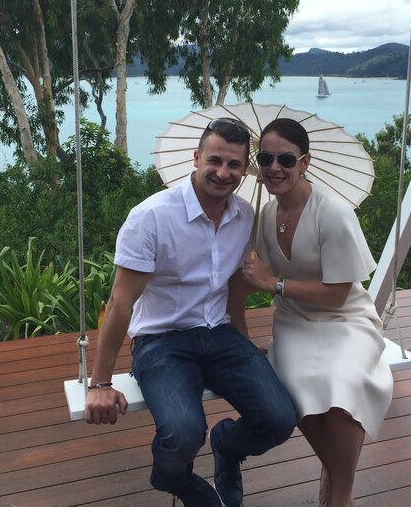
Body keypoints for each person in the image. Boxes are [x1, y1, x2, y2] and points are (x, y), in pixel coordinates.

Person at [84, 117, 296, 507]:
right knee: (184, 433)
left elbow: (231, 288)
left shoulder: (244, 216)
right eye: (215, 160)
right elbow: (120, 302)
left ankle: (228, 445)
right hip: (161, 341)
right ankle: (174, 477)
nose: (223, 172)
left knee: (279, 419)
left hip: (219, 334)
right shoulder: (151, 217)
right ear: (196, 158)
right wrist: (99, 384)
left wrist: (245, 345)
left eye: (234, 164)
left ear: (245, 170)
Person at [239, 118, 393, 507]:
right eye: (266, 159)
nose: (275, 168)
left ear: (305, 162)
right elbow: (251, 278)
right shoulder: (264, 216)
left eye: (286, 160)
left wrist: (273, 283)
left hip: (345, 318)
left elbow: (337, 295)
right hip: (294, 322)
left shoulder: (333, 212)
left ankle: (339, 495)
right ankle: (339, 484)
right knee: (295, 386)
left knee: (343, 382)